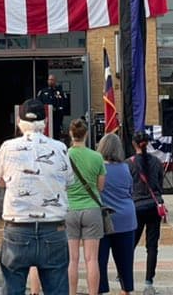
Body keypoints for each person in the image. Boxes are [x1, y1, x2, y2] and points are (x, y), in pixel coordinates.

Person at [0, 97, 72, 295]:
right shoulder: (59, 148)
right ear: (45, 123)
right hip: (53, 228)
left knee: (13, 287)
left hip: (18, 228)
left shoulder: (7, 147)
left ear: (19, 122)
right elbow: (69, 181)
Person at [66, 118, 106, 295]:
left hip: (70, 208)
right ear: (86, 134)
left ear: (70, 134)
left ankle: (72, 292)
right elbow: (100, 187)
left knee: (72, 260)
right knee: (92, 260)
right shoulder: (97, 157)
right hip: (91, 208)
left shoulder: (64, 156)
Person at [95, 133, 136, 295]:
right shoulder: (126, 168)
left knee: (100, 260)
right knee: (125, 261)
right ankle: (126, 290)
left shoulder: (98, 169)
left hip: (103, 219)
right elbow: (131, 191)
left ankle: (101, 289)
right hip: (126, 218)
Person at [129, 130, 165, 293]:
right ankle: (149, 282)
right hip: (154, 206)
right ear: (148, 143)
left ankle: (125, 275)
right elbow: (160, 185)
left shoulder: (128, 164)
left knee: (130, 244)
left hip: (136, 207)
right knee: (152, 246)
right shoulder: (157, 162)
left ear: (133, 144)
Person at [37, 74, 71, 140]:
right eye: (49, 80)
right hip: (46, 117)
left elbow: (65, 103)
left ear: (55, 81)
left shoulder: (60, 92)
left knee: (56, 133)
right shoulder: (43, 92)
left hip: (57, 116)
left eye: (52, 80)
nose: (50, 81)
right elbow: (39, 103)